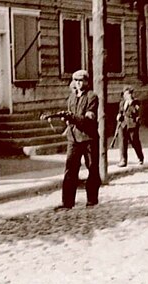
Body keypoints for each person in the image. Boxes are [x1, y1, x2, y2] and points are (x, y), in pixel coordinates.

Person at [55, 69, 101, 210]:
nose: (78, 84)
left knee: (92, 168)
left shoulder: (92, 97)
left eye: (81, 81)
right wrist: (66, 120)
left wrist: (72, 117)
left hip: (89, 139)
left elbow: (88, 120)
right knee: (70, 169)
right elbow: (71, 118)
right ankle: (67, 202)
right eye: (76, 81)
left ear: (86, 82)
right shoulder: (72, 97)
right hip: (74, 138)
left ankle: (92, 199)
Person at [116, 86, 144, 167]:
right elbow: (120, 111)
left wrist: (131, 103)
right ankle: (123, 160)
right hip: (123, 124)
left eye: (129, 93)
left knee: (134, 141)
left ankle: (140, 158)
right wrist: (118, 115)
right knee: (122, 142)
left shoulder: (136, 102)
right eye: (126, 94)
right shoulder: (122, 102)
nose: (127, 95)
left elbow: (136, 111)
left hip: (132, 124)